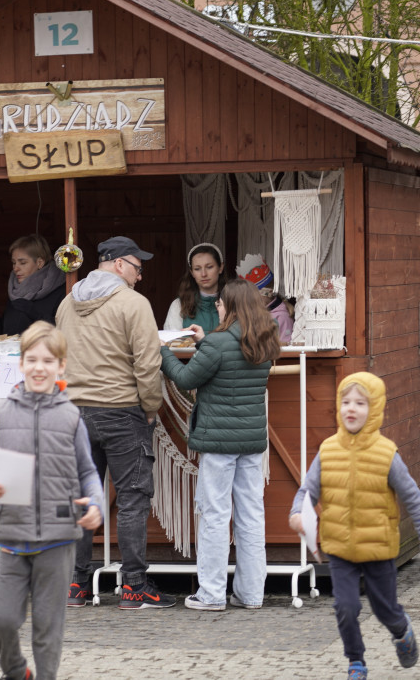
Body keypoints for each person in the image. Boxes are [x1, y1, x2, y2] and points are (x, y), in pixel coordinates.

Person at [0, 321, 104, 680]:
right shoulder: (1, 414)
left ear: (61, 366)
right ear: (21, 363)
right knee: (2, 621)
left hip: (58, 539)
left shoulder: (71, 417)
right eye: (31, 359)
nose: (39, 367)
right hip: (12, 539)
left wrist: (96, 506)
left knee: (47, 630)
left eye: (47, 360)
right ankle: (15, 671)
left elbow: (89, 472)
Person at [289, 372, 420, 680]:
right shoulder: (328, 450)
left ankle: (401, 630)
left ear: (375, 410)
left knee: (385, 610)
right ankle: (355, 662)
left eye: (360, 403)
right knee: (346, 608)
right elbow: (308, 490)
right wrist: (296, 512)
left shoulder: (387, 454)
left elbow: (412, 498)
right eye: (345, 402)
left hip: (378, 549)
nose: (351, 409)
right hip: (340, 548)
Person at [55, 235, 173, 609]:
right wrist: (151, 406)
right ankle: (134, 587)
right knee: (133, 500)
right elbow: (148, 362)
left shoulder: (65, 304)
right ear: (120, 264)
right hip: (122, 411)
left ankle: (75, 585)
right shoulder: (133, 303)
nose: (140, 277)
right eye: (138, 268)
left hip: (74, 413)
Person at [159, 277, 281, 611]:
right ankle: (251, 594)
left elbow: (185, 379)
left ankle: (211, 594)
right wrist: (203, 342)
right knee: (251, 516)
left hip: (218, 443)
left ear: (230, 306)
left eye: (221, 302)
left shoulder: (218, 344)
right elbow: (227, 361)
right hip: (252, 442)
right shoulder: (264, 341)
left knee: (214, 516)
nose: (217, 305)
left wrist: (162, 353)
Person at [0, 234, 66, 338]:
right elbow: (3, 337)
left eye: (22, 263)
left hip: (42, 354)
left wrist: (37, 316)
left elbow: (66, 333)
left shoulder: (60, 291)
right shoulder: (16, 292)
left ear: (39, 263)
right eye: (14, 263)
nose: (16, 268)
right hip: (12, 354)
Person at [163, 242, 225, 332]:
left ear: (220, 268)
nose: (203, 274)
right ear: (192, 272)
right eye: (197, 269)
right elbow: (172, 343)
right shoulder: (179, 305)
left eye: (209, 267)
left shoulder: (236, 303)